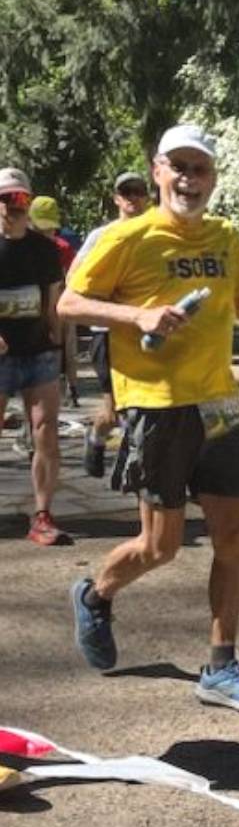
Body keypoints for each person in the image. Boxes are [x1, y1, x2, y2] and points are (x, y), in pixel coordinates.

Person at [59, 124, 239, 711]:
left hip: (218, 403)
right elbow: (68, 303)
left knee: (234, 535)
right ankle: (95, 594)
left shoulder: (225, 235)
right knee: (161, 546)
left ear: (213, 178)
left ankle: (221, 667)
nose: (189, 179)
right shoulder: (125, 236)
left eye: (200, 169)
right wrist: (137, 316)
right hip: (156, 407)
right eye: (178, 167)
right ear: (157, 171)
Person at [0, 170, 69, 546]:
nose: (15, 206)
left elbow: (53, 303)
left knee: (46, 430)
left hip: (39, 353)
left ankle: (43, 515)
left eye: (21, 198)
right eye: (7, 198)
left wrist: (61, 348)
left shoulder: (45, 250)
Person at [73, 171, 152, 477]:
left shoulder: (156, 234)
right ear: (116, 199)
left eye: (138, 192)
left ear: (147, 197)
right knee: (117, 407)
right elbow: (74, 279)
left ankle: (139, 467)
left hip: (147, 333)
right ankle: (96, 435)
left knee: (145, 405)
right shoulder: (102, 236)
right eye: (126, 192)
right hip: (108, 333)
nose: (132, 198)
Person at [29, 196, 80, 408]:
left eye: (49, 229)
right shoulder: (24, 247)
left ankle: (71, 387)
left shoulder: (63, 248)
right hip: (35, 307)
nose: (46, 234)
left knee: (67, 344)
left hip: (62, 302)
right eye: (41, 229)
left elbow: (73, 276)